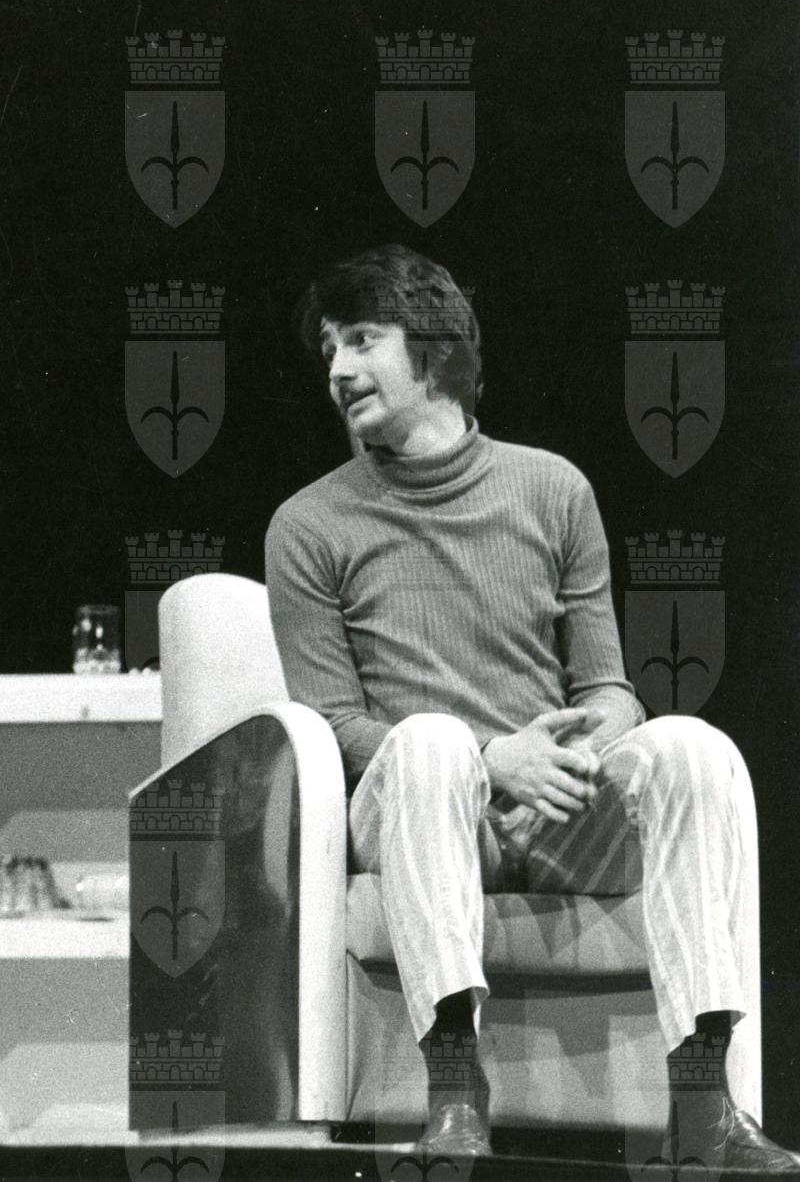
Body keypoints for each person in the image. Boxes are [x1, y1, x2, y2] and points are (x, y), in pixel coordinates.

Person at [264, 244, 792, 1167]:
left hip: (553, 812)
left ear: (433, 349)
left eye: (362, 340)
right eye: (328, 350)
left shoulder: (552, 488)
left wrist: (580, 748)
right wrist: (490, 757)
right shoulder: (309, 524)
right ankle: (455, 1091)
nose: (338, 369)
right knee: (432, 743)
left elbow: (609, 688)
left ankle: (703, 1103)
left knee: (693, 747)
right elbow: (335, 726)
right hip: (424, 810)